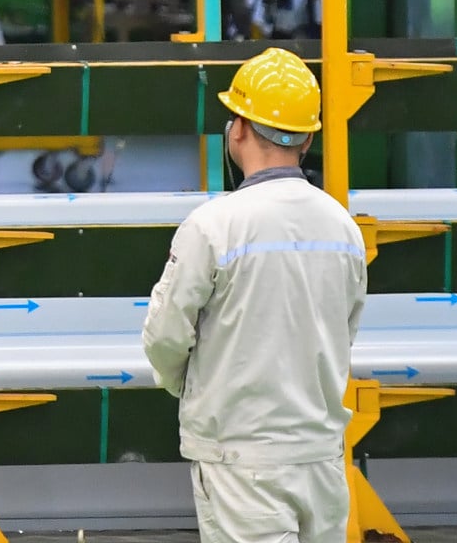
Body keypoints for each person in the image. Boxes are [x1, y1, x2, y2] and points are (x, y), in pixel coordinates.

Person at [141, 47, 367, 543]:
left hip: (240, 461)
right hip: (320, 459)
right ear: (308, 137)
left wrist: (190, 386)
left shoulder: (213, 226)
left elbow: (164, 337)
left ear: (238, 129)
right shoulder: (343, 228)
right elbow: (343, 333)